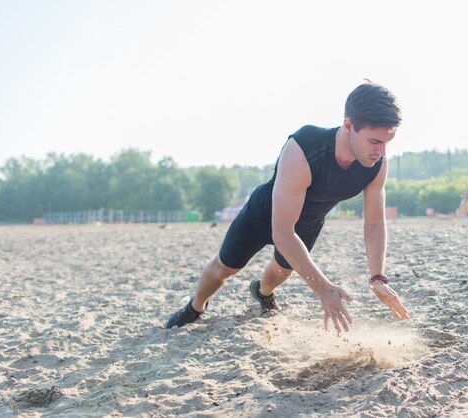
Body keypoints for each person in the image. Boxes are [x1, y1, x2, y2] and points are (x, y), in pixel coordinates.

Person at [165, 81, 410, 333]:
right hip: (262, 216)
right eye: (375, 142)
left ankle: (262, 292)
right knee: (224, 268)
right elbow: (282, 232)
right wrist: (324, 289)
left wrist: (377, 277)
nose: (381, 151)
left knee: (280, 273)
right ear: (349, 126)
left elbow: (374, 222)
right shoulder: (304, 148)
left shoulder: (376, 164)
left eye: (386, 143)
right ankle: (195, 307)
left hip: (307, 225)